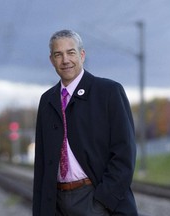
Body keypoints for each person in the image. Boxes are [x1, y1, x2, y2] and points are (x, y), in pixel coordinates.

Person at [33, 29, 138, 216]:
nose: (65, 60)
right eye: (58, 54)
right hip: (56, 203)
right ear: (52, 60)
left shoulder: (109, 92)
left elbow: (125, 152)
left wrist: (104, 199)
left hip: (94, 200)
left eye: (71, 52)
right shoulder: (47, 100)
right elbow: (41, 163)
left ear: (82, 55)